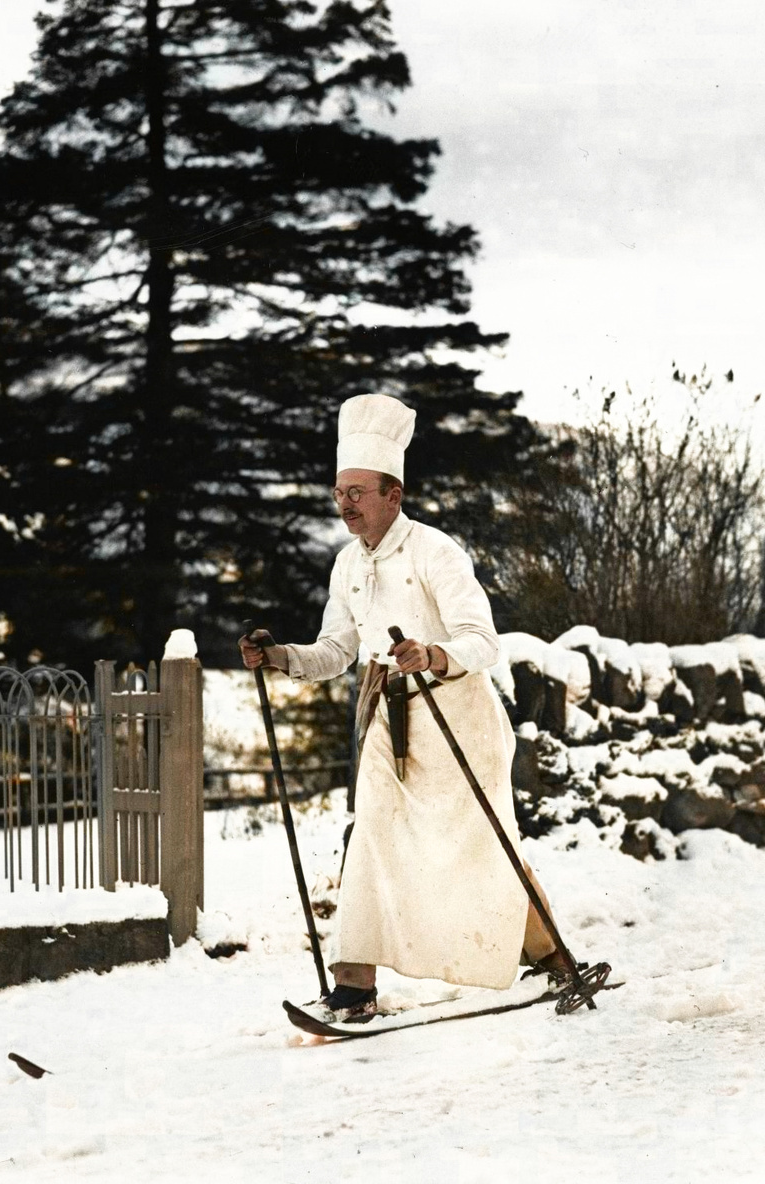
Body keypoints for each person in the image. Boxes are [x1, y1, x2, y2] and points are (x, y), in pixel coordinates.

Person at [239, 393, 566, 1019]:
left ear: (394, 495)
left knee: (479, 845)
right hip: (387, 717)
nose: (345, 505)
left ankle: (551, 956)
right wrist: (279, 655)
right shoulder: (345, 566)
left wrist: (433, 655)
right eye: (339, 493)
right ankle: (354, 985)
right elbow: (337, 650)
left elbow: (482, 640)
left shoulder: (436, 552)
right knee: (370, 840)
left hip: (457, 717)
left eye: (358, 492)